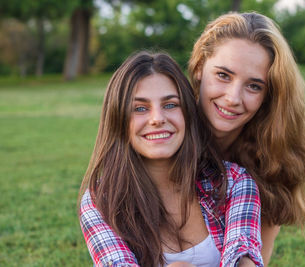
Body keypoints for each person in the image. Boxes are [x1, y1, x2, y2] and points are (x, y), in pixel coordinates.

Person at [80, 11, 305, 265]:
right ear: (198, 69)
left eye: (254, 86)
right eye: (223, 75)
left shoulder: (248, 176)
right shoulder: (104, 198)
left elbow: (250, 256)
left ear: (267, 96)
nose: (232, 98)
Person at [79, 51, 263, 267]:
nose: (157, 119)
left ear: (187, 113)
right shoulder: (101, 200)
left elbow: (245, 257)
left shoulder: (233, 182)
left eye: (170, 105)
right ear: (119, 120)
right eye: (140, 108)